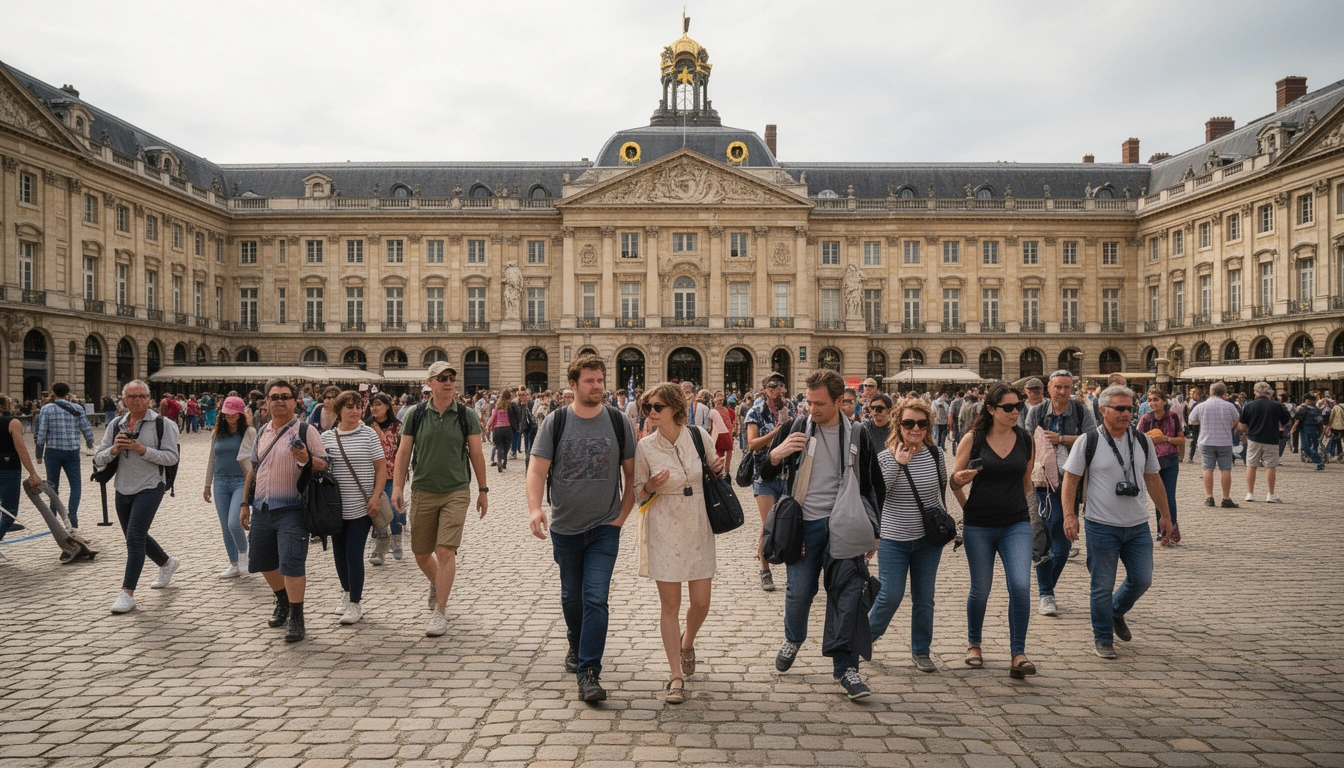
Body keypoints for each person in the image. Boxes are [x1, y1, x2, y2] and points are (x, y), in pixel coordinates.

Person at [759, 368, 884, 700]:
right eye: (809, 402)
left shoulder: (858, 434)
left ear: (840, 401)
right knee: (799, 592)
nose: (811, 409)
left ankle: (847, 669)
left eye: (819, 404)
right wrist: (777, 453)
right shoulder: (798, 426)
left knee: (847, 597)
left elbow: (873, 485)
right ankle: (793, 638)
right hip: (805, 525)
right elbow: (761, 472)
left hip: (845, 525)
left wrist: (874, 530)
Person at [527, 355, 636, 703]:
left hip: (605, 527)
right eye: (589, 381)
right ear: (573, 384)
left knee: (595, 598)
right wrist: (535, 509)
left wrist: (620, 518)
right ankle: (575, 642)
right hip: (565, 528)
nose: (597, 386)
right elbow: (536, 470)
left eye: (600, 380)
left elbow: (632, 475)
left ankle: (589, 672)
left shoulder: (618, 421)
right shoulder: (556, 422)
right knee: (571, 597)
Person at [1060, 386, 1172, 659]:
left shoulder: (1142, 441)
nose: (1126, 413)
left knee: (1142, 579)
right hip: (1101, 525)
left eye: (1130, 408)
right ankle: (1103, 638)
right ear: (1103, 410)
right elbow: (1070, 480)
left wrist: (1166, 515)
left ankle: (1115, 611)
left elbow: (1153, 479)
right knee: (1102, 586)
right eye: (1119, 408)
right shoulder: (1088, 441)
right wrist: (1069, 515)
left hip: (1137, 525)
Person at [632, 382, 723, 703]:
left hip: (697, 522)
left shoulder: (698, 436)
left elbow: (714, 469)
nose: (651, 413)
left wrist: (717, 468)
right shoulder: (645, 447)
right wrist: (650, 486)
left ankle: (688, 641)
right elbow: (637, 493)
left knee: (701, 602)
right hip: (664, 526)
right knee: (670, 605)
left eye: (658, 407)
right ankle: (675, 676)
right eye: (647, 408)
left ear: (675, 408)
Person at [393, 361, 488, 638]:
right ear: (430, 382)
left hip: (456, 490)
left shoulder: (466, 415)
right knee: (421, 554)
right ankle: (438, 582)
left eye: (451, 378)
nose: (448, 382)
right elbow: (403, 453)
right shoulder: (415, 414)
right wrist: (397, 487)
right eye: (442, 378)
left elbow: (476, 454)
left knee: (445, 550)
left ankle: (439, 611)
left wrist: (483, 490)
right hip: (423, 489)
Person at [950, 383, 1039, 679]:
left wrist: (1033, 516)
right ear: (991, 409)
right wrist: (965, 501)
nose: (1015, 412)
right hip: (979, 525)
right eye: (1008, 407)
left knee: (1021, 586)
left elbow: (1026, 483)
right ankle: (974, 643)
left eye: (1019, 406)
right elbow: (953, 482)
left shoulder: (1025, 439)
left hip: (1016, 523)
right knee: (981, 588)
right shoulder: (973, 439)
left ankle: (1018, 654)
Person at [240, 378, 329, 642]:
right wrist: (245, 503)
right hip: (262, 507)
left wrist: (306, 459)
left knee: (291, 564)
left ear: (295, 401)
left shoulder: (305, 431)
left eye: (285, 397)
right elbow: (253, 469)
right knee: (263, 562)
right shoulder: (262, 432)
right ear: (267, 402)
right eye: (275, 397)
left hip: (292, 508)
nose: (280, 401)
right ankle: (283, 601)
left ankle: (297, 619)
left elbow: (324, 465)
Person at [868, 397, 948, 673]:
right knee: (890, 595)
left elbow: (940, 491)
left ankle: (921, 651)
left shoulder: (936, 455)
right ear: (898, 425)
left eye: (922, 424)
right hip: (894, 539)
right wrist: (898, 463)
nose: (915, 429)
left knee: (924, 598)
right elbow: (880, 494)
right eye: (909, 423)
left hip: (928, 540)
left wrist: (947, 524)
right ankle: (863, 638)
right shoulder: (885, 457)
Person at [92, 380, 181, 615]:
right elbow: (98, 457)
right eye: (132, 397)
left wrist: (142, 450)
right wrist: (114, 450)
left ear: (149, 399)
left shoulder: (163, 424)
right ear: (124, 401)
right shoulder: (116, 424)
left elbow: (172, 457)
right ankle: (166, 562)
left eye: (142, 396)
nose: (137, 400)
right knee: (136, 535)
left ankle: (127, 593)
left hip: (151, 485)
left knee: (134, 538)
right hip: (122, 487)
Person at [1023, 370, 1096, 616]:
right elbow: (1026, 444)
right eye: (1058, 387)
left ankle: (1046, 589)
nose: (1062, 391)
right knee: (1043, 538)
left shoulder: (1081, 411)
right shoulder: (1036, 412)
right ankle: (1046, 593)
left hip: (1069, 483)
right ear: (1049, 389)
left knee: (1063, 545)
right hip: (1041, 483)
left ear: (1071, 389)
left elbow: (1092, 439)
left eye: (1066, 387)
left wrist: (1062, 438)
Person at [320, 391, 386, 626]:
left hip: (362, 506)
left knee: (353, 554)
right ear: (339, 410)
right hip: (336, 507)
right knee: (339, 554)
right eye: (349, 407)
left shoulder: (368, 434)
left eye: (358, 407)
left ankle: (355, 603)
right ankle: (347, 592)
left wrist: (376, 497)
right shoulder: (327, 437)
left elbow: (381, 468)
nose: (355, 411)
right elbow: (320, 467)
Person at [744, 372, 795, 592]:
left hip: (786, 475)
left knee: (786, 523)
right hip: (763, 476)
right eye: (772, 385)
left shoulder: (790, 410)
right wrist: (775, 433)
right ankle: (765, 571)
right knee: (768, 525)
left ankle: (789, 569)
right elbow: (752, 443)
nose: (777, 389)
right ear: (764, 389)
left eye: (780, 385)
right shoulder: (755, 412)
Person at [204, 396, 256, 578]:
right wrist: (207, 484)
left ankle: (244, 555)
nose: (229, 417)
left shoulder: (249, 432)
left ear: (240, 414)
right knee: (225, 526)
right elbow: (212, 459)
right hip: (220, 481)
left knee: (234, 522)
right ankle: (234, 564)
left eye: (233, 414)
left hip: (240, 481)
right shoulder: (218, 432)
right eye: (226, 414)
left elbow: (255, 459)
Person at [35, 381, 95, 530]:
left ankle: (53, 516)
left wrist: (39, 452)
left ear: (54, 392)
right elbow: (86, 427)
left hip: (53, 451)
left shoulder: (47, 408)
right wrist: (89, 442)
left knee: (52, 485)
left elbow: (42, 431)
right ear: (68, 393)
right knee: (75, 485)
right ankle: (72, 515)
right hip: (72, 451)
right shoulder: (77, 408)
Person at [1138, 389, 1185, 546]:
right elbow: (1137, 439)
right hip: (1152, 462)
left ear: (1164, 401)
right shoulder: (1146, 419)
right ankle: (1162, 531)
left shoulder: (1173, 417)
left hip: (1170, 461)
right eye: (1150, 400)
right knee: (1158, 497)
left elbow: (1181, 439)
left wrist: (1166, 439)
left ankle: (1173, 526)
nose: (1152, 403)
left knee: (1169, 496)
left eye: (1156, 399)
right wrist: (1149, 440)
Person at [1188, 382, 1243, 507]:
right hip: (1224, 441)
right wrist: (1230, 425)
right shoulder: (1229, 406)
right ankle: (1226, 498)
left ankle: (1209, 497)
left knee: (1208, 468)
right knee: (1225, 469)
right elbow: (1237, 418)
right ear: (1224, 393)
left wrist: (1202, 423)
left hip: (1206, 440)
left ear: (1211, 392)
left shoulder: (1201, 405)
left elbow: (1191, 420)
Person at [365, 393, 405, 565]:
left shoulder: (397, 427)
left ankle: (397, 539)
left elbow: (402, 452)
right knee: (377, 511)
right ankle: (379, 549)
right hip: (371, 476)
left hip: (392, 475)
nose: (374, 408)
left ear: (387, 406)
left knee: (394, 510)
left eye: (378, 404)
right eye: (372, 404)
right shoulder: (366, 426)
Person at [1239, 382, 1291, 503]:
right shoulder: (1276, 405)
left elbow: (1242, 425)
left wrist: (1248, 432)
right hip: (1271, 438)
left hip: (1254, 438)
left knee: (1251, 465)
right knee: (1270, 466)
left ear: (1256, 393)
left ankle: (1250, 494)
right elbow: (1286, 420)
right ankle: (1270, 494)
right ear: (1270, 392)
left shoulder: (1249, 405)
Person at [0, 395, 43, 541]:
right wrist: (32, 472)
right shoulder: (13, 422)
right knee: (9, 512)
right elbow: (21, 449)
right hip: (8, 469)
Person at [1290, 394, 1326, 471]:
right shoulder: (1315, 409)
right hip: (1313, 428)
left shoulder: (1302, 408)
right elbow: (1320, 420)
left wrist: (1293, 429)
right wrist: (1322, 429)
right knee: (1312, 446)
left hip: (1306, 428)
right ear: (1308, 400)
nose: (1314, 402)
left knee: (1306, 447)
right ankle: (1318, 460)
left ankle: (1318, 461)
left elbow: (1297, 420)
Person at [487, 389, 517, 472]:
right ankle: (505, 462)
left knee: (499, 446)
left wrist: (488, 427)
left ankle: (499, 461)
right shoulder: (511, 407)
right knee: (506, 446)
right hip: (507, 428)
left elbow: (492, 418)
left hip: (498, 428)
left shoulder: (498, 407)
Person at [713, 391, 736, 472]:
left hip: (727, 433)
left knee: (729, 450)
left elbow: (729, 422)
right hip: (718, 434)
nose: (720, 397)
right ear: (714, 399)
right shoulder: (713, 410)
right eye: (718, 395)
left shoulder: (726, 410)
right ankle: (719, 469)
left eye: (721, 395)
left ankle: (727, 469)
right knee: (719, 452)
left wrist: (732, 431)